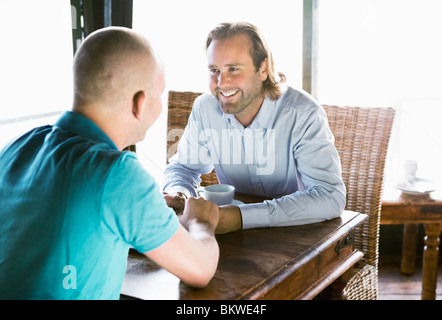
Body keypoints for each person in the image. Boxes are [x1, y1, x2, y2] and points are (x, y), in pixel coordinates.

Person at [0, 27, 219, 300]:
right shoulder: (119, 173)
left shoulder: (15, 147)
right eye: (159, 95)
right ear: (140, 103)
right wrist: (201, 222)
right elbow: (201, 269)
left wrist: (146, 210)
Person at [163, 22, 346, 234]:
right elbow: (184, 168)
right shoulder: (205, 108)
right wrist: (180, 194)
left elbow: (330, 197)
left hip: (299, 234)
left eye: (233, 69)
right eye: (214, 70)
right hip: (229, 238)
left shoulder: (303, 113)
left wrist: (241, 217)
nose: (222, 82)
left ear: (263, 69)